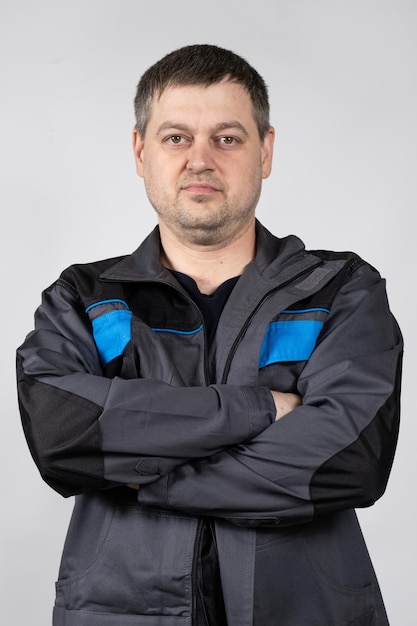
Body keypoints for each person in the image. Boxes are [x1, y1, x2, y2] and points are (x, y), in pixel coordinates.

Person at [16, 44, 403, 626]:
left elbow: (349, 460)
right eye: (176, 138)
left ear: (265, 151)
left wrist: (139, 476)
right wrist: (257, 408)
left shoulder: (341, 290)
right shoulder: (83, 296)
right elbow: (63, 435)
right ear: (140, 151)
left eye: (227, 138)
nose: (201, 160)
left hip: (304, 611)